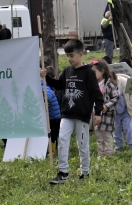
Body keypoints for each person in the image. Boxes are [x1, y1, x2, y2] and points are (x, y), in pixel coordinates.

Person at [42, 39, 104, 184]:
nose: (69, 59)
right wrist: (47, 77)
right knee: (62, 140)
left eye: (71, 55)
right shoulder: (67, 71)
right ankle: (63, 172)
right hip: (67, 113)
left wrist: (98, 113)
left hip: (82, 115)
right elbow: (58, 84)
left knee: (82, 143)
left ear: (80, 54)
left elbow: (97, 94)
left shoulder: (88, 73)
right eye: (67, 56)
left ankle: (85, 172)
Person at [91, 60, 119, 158]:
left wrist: (107, 106)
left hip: (107, 115)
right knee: (99, 136)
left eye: (94, 72)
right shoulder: (92, 85)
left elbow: (116, 98)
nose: (92, 75)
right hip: (96, 114)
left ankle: (109, 153)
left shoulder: (109, 84)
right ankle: (101, 153)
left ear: (102, 71)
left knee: (107, 135)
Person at [113, 72, 132, 152]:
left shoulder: (124, 82)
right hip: (115, 110)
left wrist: (131, 105)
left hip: (126, 109)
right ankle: (118, 147)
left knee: (128, 128)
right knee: (116, 129)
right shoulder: (107, 83)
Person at [43, 76, 61, 156]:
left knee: (53, 134)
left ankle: (52, 151)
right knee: (51, 134)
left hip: (54, 117)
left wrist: (43, 98)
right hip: (52, 116)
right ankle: (51, 149)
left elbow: (48, 96)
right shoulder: (43, 85)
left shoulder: (45, 87)